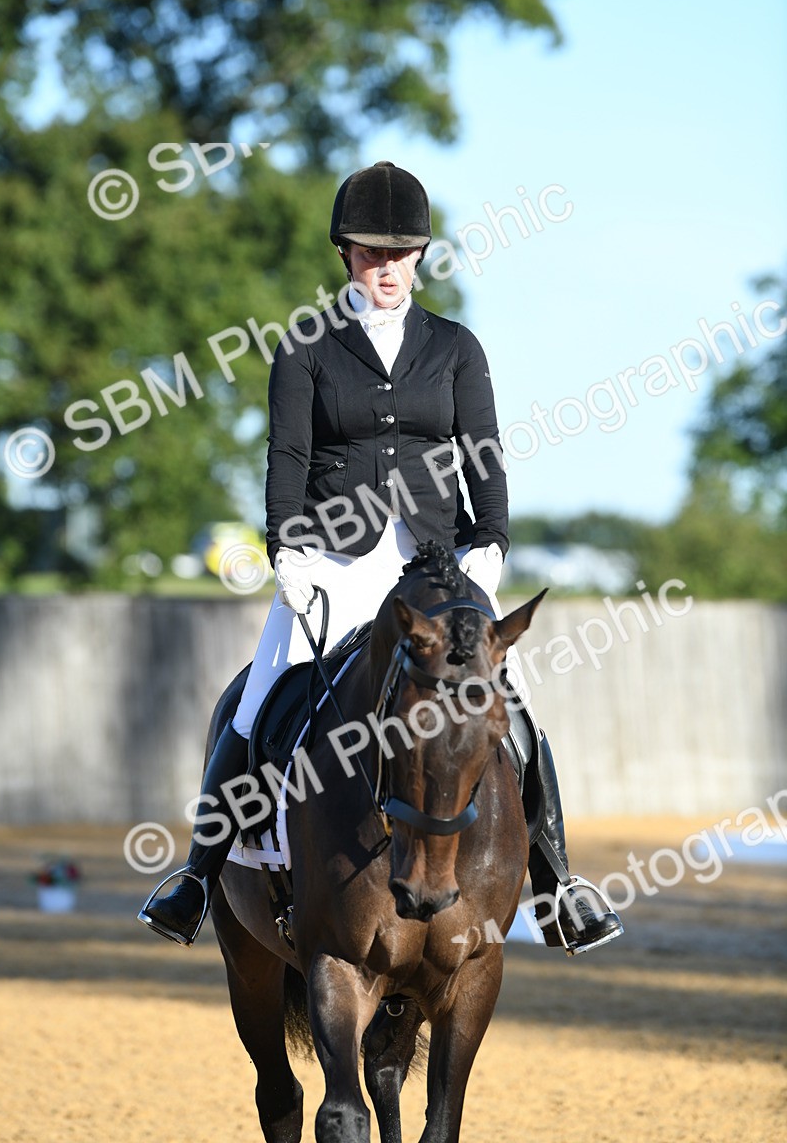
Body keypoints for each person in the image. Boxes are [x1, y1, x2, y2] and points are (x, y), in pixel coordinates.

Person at [139, 161, 623, 954]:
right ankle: (197, 876)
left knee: (517, 708)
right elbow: (287, 453)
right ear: (346, 256)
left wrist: (491, 543)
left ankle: (559, 881)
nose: (385, 267)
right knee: (259, 701)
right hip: (330, 558)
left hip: (438, 564)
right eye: (370, 253)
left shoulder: (457, 347)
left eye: (399, 254)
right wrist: (287, 550)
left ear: (421, 257)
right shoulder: (307, 349)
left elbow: (485, 453)